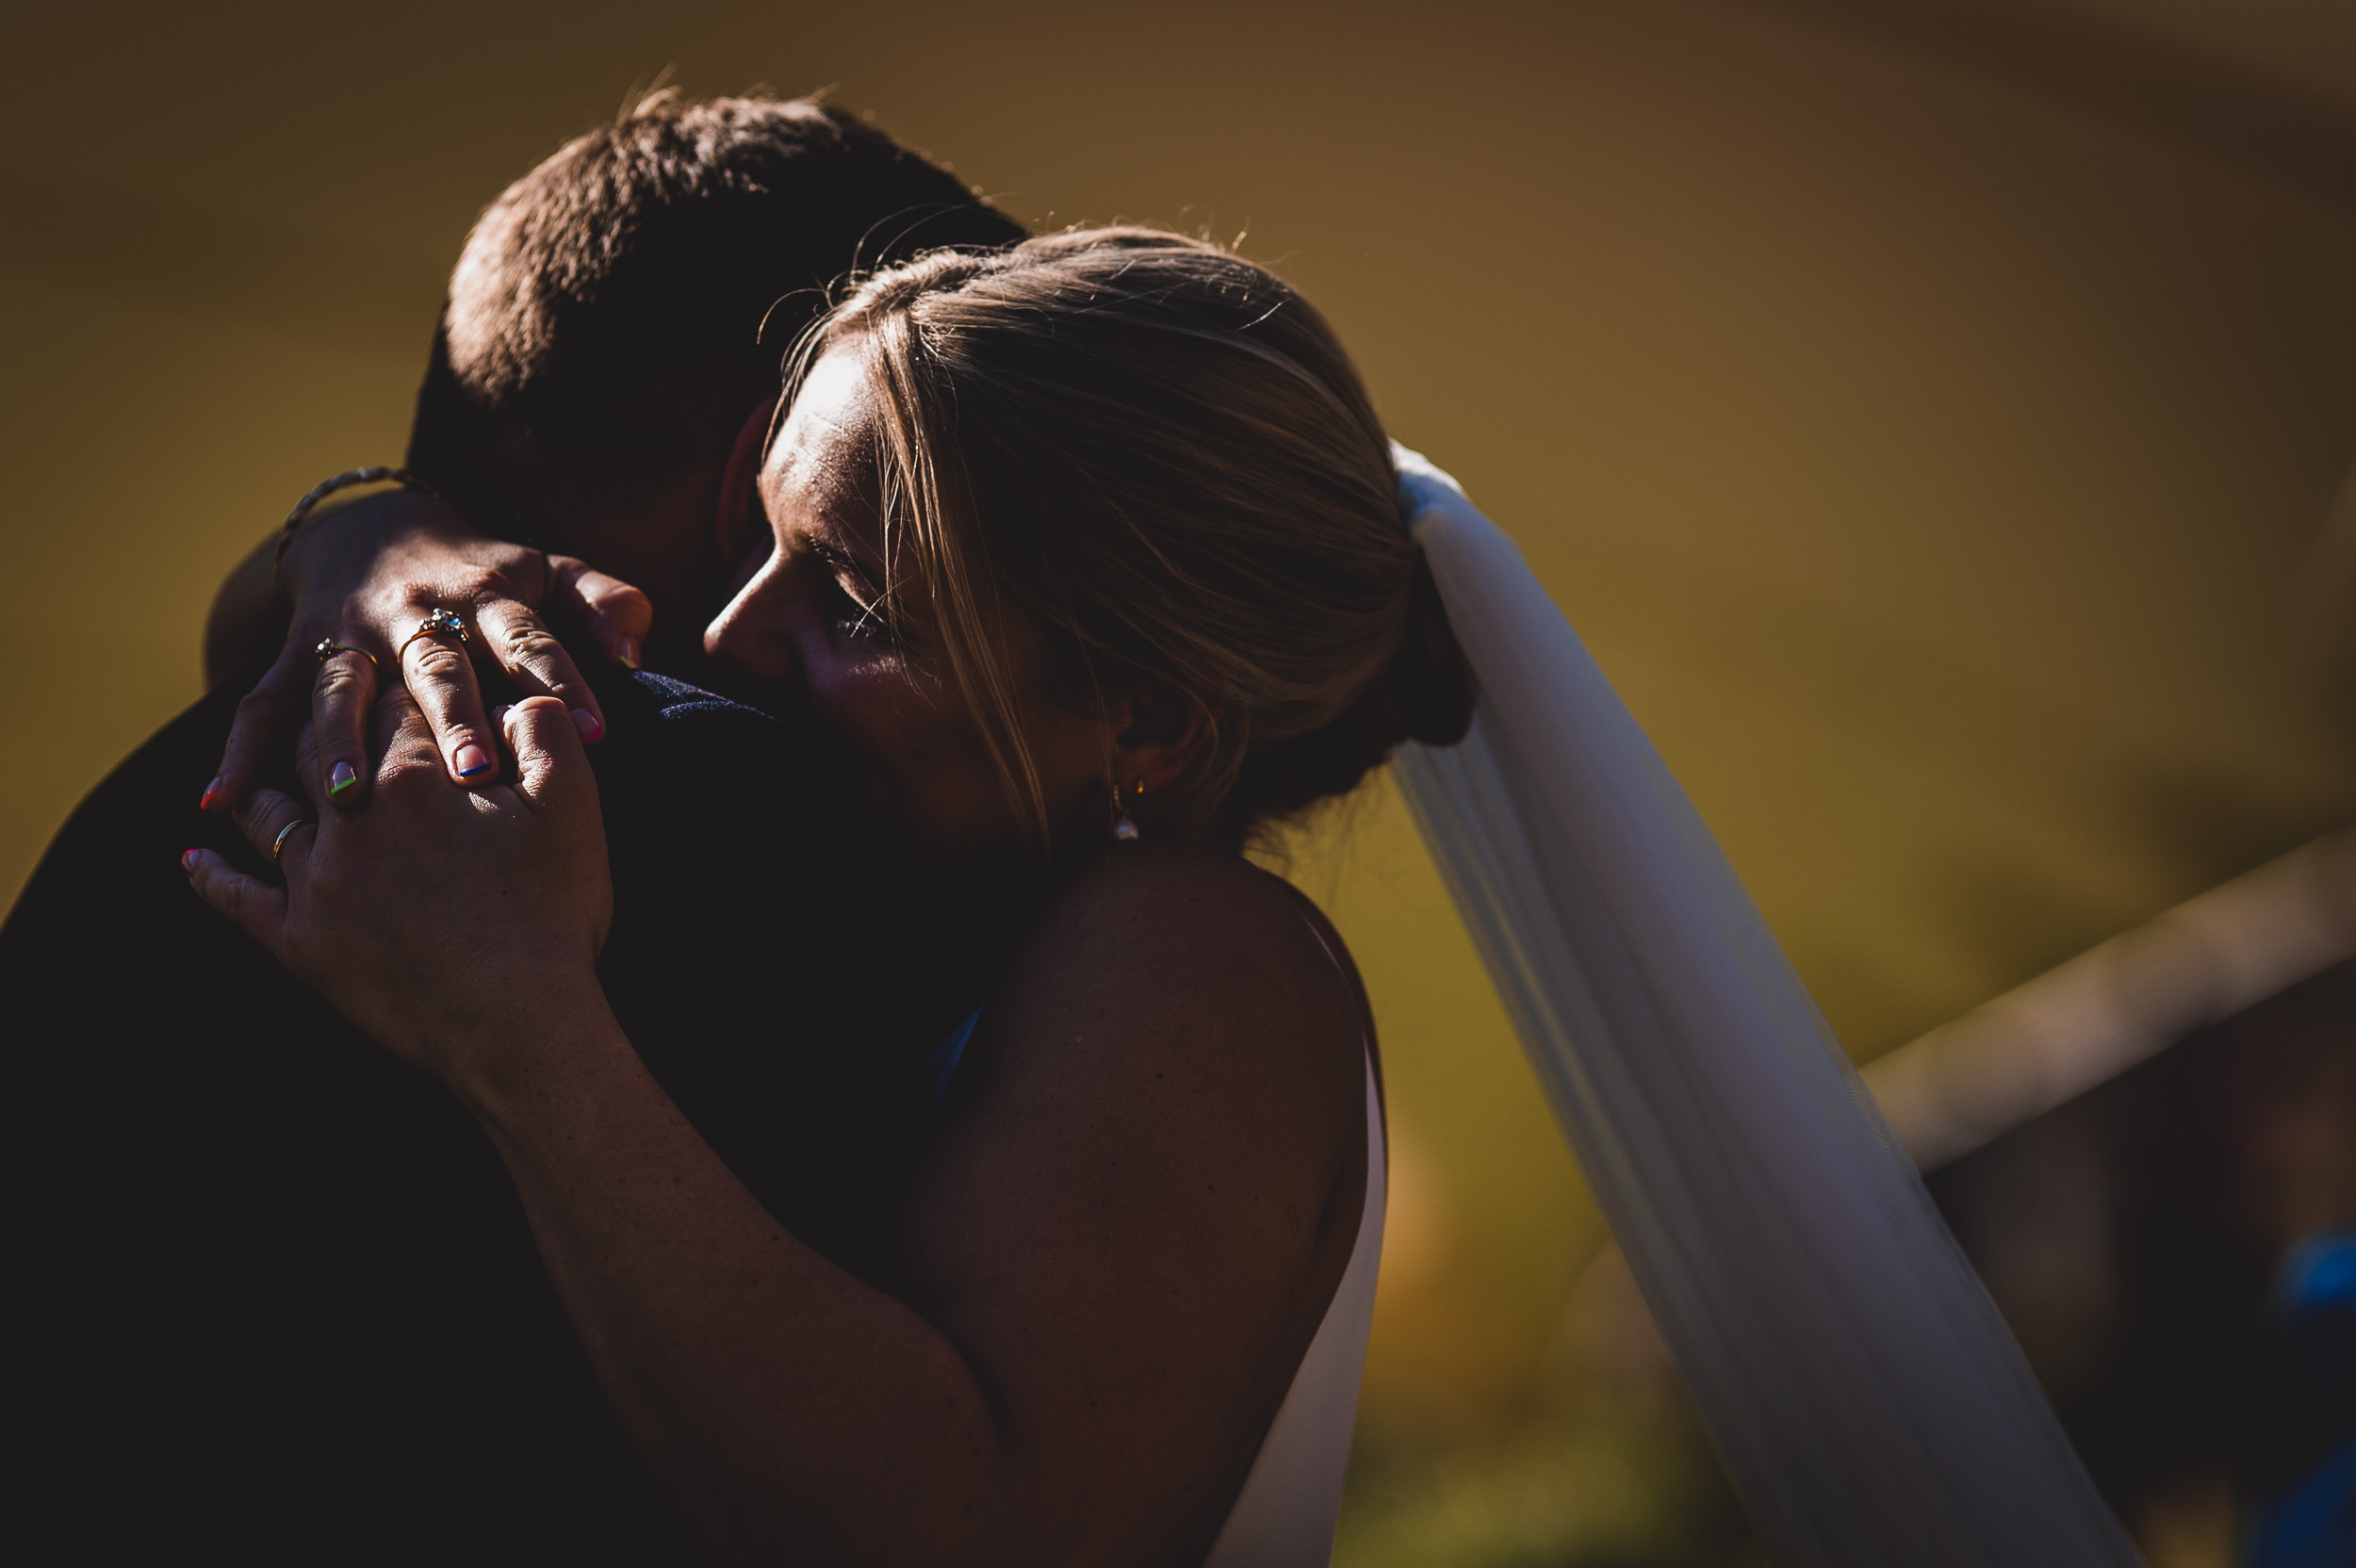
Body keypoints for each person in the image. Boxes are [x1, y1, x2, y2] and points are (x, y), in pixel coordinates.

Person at [188, 227, 1478, 1565]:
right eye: (762, 536)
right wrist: (370, 540)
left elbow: (984, 1534)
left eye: (859, 602)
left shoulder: (1199, 949)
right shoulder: (938, 919)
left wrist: (518, 1028)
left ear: (1147, 721)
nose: (733, 632)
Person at [8, 95, 1024, 1560]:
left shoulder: (224, 744)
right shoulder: (706, 797)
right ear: (771, 477)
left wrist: (349, 525)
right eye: (972, 479)